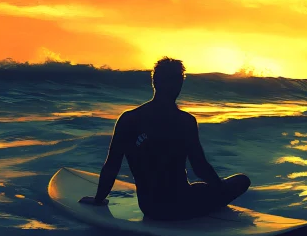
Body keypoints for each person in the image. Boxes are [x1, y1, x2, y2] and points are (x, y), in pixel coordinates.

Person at [78, 57, 251, 221]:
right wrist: (220, 190)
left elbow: (112, 165)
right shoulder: (185, 121)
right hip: (183, 204)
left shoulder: (129, 119)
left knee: (200, 187)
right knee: (241, 180)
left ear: (154, 82)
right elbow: (200, 167)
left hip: (151, 208)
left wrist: (98, 199)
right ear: (180, 84)